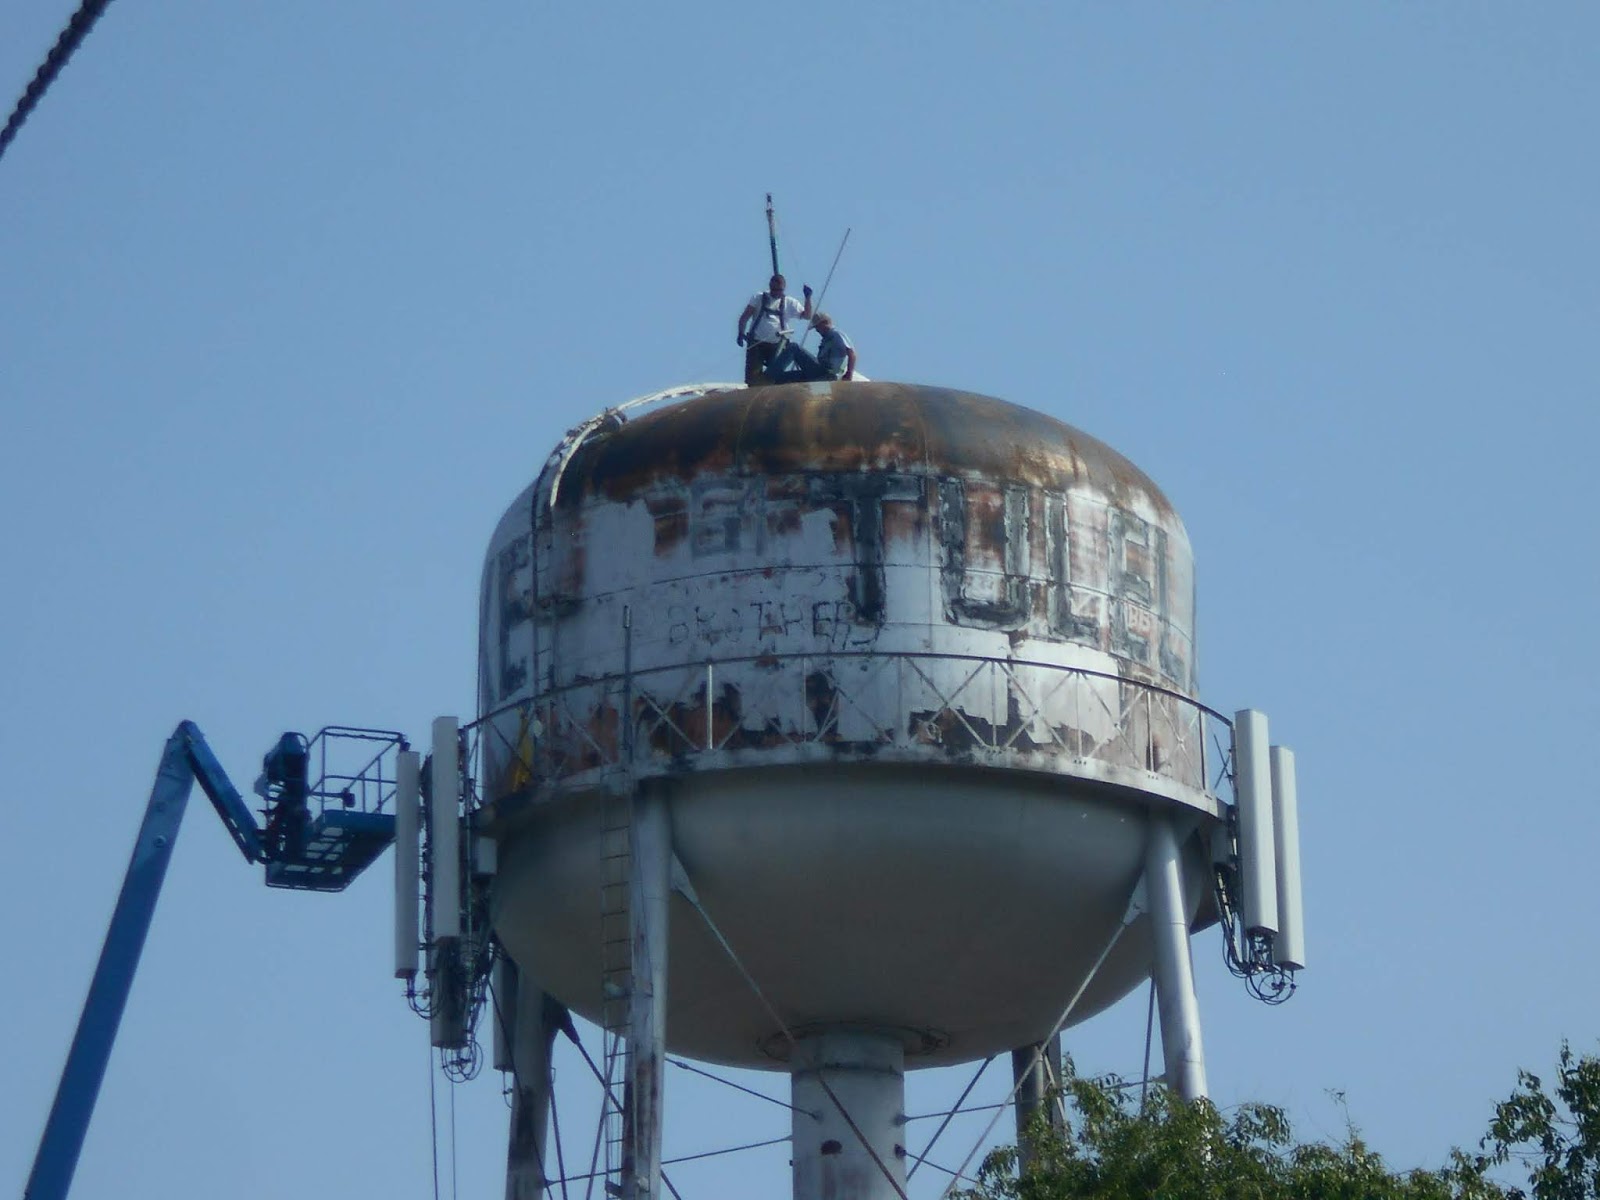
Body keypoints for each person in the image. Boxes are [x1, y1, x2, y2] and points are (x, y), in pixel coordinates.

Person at [737, 274, 813, 385]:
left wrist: (808, 298)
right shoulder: (758, 297)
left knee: (773, 377)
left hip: (777, 345)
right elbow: (745, 317)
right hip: (757, 344)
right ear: (770, 286)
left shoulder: (789, 302)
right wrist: (740, 333)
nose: (776, 292)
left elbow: (807, 316)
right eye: (774, 289)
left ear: (784, 288)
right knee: (752, 379)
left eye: (779, 290)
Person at [767, 311, 858, 383]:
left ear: (824, 323)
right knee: (783, 378)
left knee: (794, 347)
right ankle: (771, 382)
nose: (817, 330)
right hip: (819, 375)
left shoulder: (836, 334)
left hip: (826, 373)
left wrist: (849, 374)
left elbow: (851, 353)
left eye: (817, 327)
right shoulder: (825, 340)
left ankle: (767, 377)